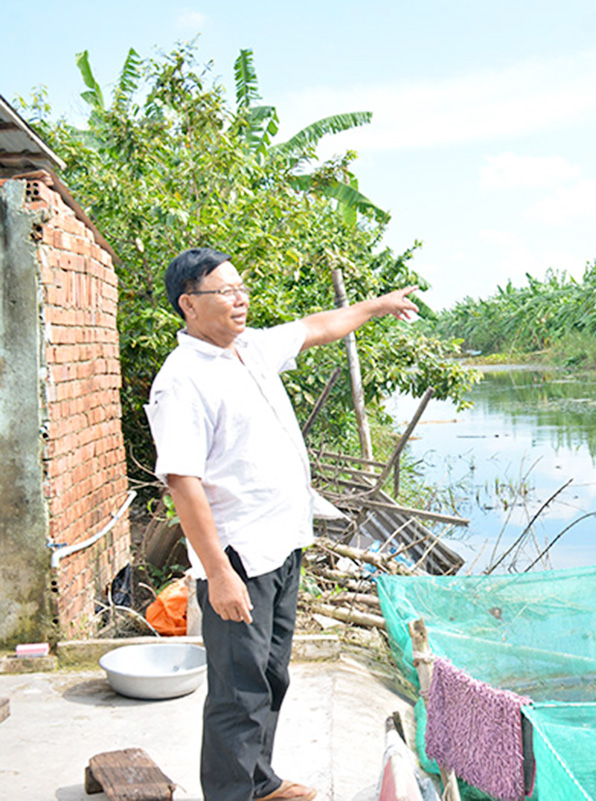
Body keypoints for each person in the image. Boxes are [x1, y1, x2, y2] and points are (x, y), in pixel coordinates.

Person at [145, 247, 419, 801]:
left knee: (271, 676)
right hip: (239, 557)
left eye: (241, 288)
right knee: (238, 692)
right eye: (225, 291)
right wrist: (219, 574)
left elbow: (318, 326)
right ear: (189, 305)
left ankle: (259, 781)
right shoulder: (182, 381)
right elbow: (183, 484)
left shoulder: (249, 348)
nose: (240, 299)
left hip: (282, 544)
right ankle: (231, 793)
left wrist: (378, 305)